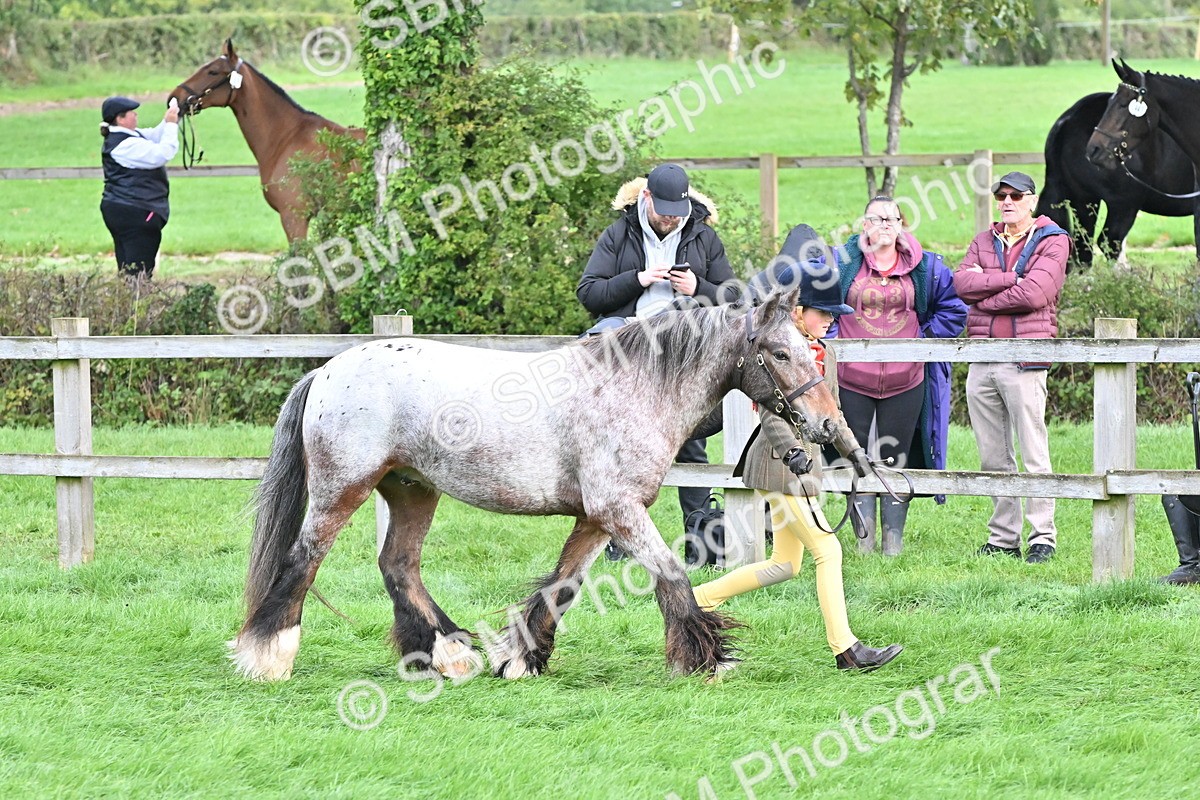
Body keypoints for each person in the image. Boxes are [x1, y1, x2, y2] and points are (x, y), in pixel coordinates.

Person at [692, 261, 903, 672]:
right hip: (782, 465)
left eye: (832, 315)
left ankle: (700, 598)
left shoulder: (826, 353)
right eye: (822, 313)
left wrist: (857, 454)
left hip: (801, 466)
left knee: (784, 565)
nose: (828, 321)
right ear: (797, 312)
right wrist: (793, 453)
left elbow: (832, 412)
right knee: (829, 550)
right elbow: (772, 412)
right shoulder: (780, 350)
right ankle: (846, 649)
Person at [577, 163, 738, 561]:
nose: (670, 219)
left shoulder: (703, 236)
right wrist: (639, 279)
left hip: (681, 353)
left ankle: (700, 541)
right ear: (646, 198)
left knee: (690, 441)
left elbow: (736, 299)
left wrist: (700, 288)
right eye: (663, 209)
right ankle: (619, 537)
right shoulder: (618, 234)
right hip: (630, 348)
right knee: (619, 446)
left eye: (676, 211)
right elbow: (589, 294)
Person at [829, 196, 967, 556]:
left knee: (895, 457)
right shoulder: (841, 264)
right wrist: (831, 341)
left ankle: (893, 544)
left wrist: (922, 341)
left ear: (902, 225)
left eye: (893, 218)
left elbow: (954, 310)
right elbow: (814, 303)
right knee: (855, 456)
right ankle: (863, 544)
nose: (887, 224)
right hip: (850, 378)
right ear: (865, 226)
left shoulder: (926, 267)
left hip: (906, 379)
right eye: (878, 218)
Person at [953, 171, 1070, 564]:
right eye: (1001, 195)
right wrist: (1007, 279)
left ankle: (1043, 538)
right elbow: (961, 284)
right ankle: (1003, 537)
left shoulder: (1053, 240)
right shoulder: (983, 240)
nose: (1007, 202)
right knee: (992, 453)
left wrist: (985, 298)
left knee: (1033, 447)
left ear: (1032, 201)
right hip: (983, 355)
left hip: (1025, 357)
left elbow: (1036, 293)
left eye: (1016, 196)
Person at [99, 95, 180, 280]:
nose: (136, 115)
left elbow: (155, 134)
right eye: (131, 113)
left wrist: (173, 116)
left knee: (128, 267)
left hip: (123, 208)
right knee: (140, 271)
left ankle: (127, 304)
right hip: (137, 211)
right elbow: (164, 153)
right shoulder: (126, 145)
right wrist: (171, 125)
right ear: (120, 119)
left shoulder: (124, 137)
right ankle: (137, 305)